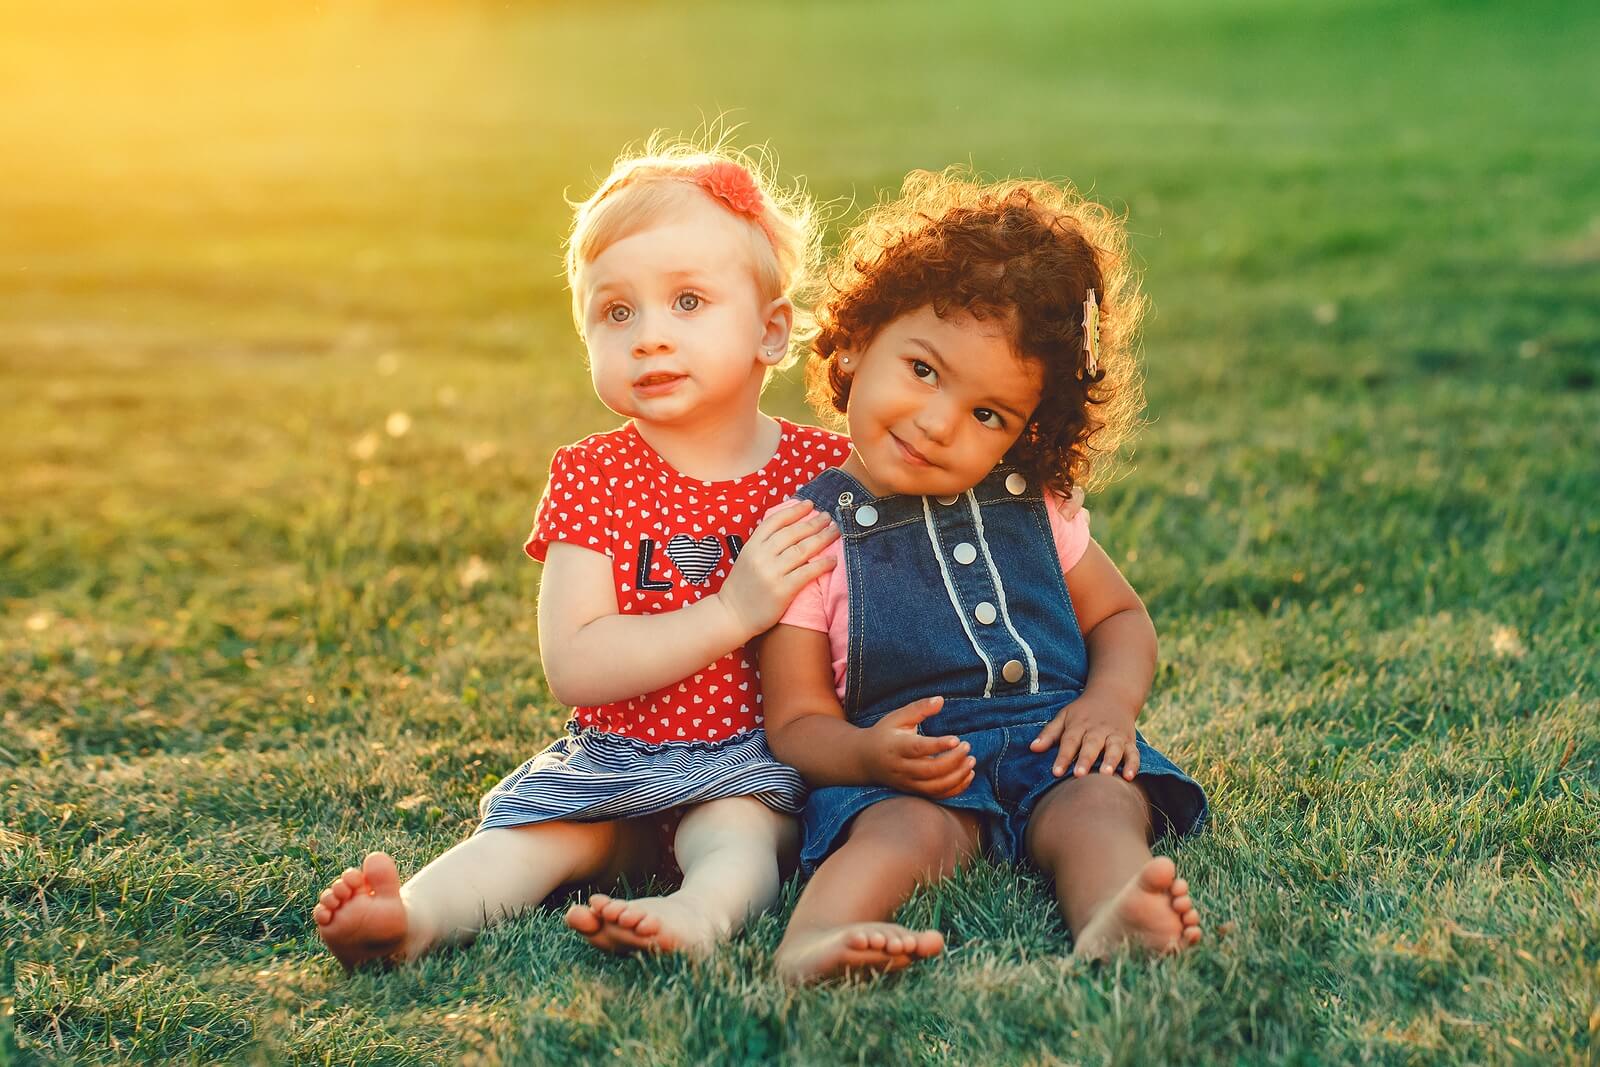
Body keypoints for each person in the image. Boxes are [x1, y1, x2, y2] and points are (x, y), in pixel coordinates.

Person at [312, 139, 849, 970]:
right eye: (617, 312)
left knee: (737, 837)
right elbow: (575, 663)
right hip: (612, 757)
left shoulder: (821, 473)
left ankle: (695, 918)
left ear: (771, 331)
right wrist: (732, 610)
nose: (649, 337)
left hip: (749, 759)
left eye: (688, 301)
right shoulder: (592, 474)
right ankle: (410, 914)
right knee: (527, 841)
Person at [760, 170, 1209, 983]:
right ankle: (817, 937)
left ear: (1029, 432)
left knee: (1102, 801)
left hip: (1049, 741)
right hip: (915, 769)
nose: (939, 423)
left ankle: (1112, 913)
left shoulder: (1036, 508)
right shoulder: (808, 534)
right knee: (903, 833)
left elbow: (1121, 619)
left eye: (988, 414)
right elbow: (793, 720)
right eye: (924, 369)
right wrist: (869, 756)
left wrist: (1107, 705)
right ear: (857, 339)